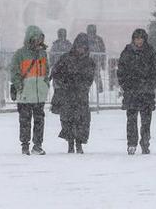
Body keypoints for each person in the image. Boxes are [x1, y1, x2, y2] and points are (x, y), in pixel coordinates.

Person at [117, 28, 156, 155]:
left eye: (141, 38)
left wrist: (150, 85)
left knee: (146, 120)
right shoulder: (127, 52)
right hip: (131, 91)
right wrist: (125, 85)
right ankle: (131, 143)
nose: (139, 41)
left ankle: (145, 142)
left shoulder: (151, 52)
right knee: (131, 120)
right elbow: (121, 70)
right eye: (136, 38)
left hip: (146, 92)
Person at [49, 32, 96, 153]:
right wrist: (63, 84)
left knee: (82, 120)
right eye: (79, 46)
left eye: (83, 46)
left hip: (81, 94)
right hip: (67, 93)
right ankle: (70, 143)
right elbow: (56, 72)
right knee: (67, 119)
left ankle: (79, 143)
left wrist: (82, 85)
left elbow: (89, 78)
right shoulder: (65, 58)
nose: (80, 49)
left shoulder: (89, 62)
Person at [9, 25, 50, 156]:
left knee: (39, 120)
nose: (39, 41)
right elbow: (14, 72)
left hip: (39, 94)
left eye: (40, 38)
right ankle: (25, 145)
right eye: (37, 38)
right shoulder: (20, 54)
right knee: (25, 120)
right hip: (25, 94)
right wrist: (19, 86)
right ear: (30, 38)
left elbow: (46, 70)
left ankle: (37, 145)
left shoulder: (42, 53)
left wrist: (45, 83)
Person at [86, 23, 107, 93]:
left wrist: (103, 63)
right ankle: (87, 91)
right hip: (89, 61)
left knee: (96, 76)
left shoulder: (98, 39)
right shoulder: (87, 38)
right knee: (92, 77)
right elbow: (103, 51)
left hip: (94, 61)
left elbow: (103, 51)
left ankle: (99, 92)